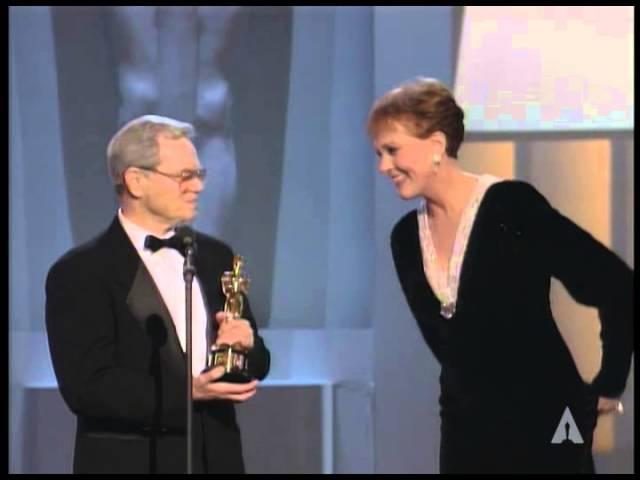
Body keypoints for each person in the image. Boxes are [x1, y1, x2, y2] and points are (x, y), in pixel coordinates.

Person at [367, 78, 633, 473]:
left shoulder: (512, 208)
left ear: (437, 145)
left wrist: (609, 382)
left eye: (392, 150)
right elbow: (455, 353)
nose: (383, 166)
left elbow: (616, 284)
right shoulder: (406, 239)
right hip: (467, 435)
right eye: (379, 153)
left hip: (549, 426)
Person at [45, 115, 270, 473]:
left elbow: (256, 362)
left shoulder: (216, 257)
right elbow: (88, 387)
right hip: (133, 462)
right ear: (136, 180)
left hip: (217, 459)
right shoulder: (80, 273)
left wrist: (247, 347)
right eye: (184, 176)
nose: (197, 186)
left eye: (200, 175)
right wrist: (188, 393)